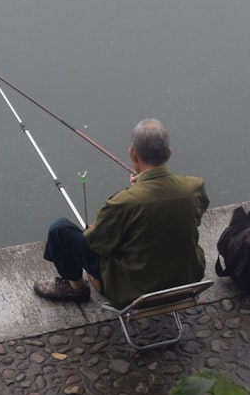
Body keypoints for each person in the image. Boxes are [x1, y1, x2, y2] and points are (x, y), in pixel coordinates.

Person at [33, 118, 209, 308]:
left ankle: (75, 287)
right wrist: (142, 185)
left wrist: (97, 229)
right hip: (187, 280)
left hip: (133, 290)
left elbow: (97, 245)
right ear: (168, 154)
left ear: (133, 155)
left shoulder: (122, 202)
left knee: (60, 230)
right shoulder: (194, 187)